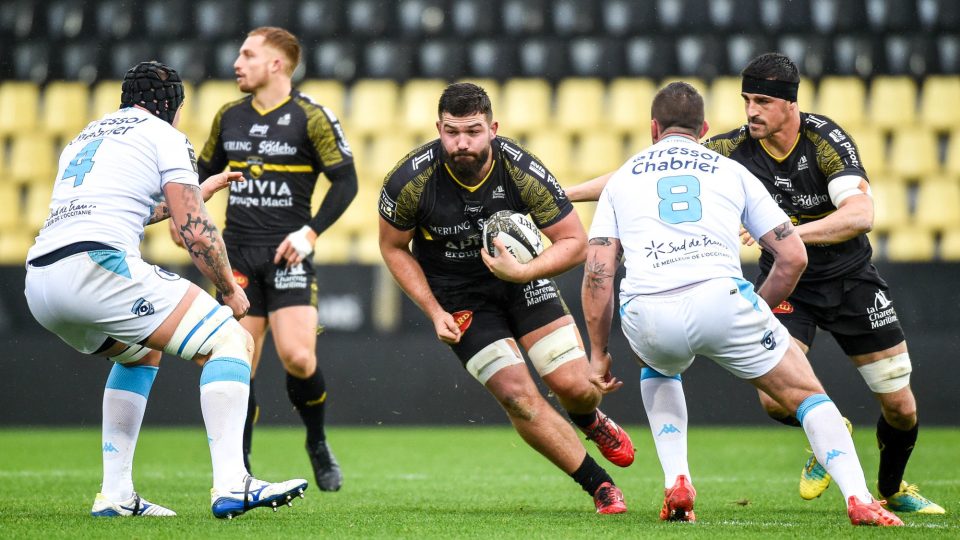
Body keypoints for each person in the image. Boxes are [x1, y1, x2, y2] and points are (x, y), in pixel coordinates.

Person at [566, 54, 944, 516]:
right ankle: (841, 452)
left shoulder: (825, 140)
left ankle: (892, 486)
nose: (750, 111)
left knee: (900, 406)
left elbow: (861, 216)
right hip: (790, 284)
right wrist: (559, 195)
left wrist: (787, 230)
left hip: (849, 279)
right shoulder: (735, 150)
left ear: (790, 104)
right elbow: (651, 170)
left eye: (761, 101)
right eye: (746, 100)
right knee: (776, 398)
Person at [23, 61, 308, 519]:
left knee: (138, 353)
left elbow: (130, 206)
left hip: (41, 280)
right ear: (173, 106)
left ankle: (115, 495)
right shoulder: (166, 135)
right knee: (231, 340)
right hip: (98, 267)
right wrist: (229, 291)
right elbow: (194, 231)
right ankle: (233, 483)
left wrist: (201, 189)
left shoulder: (87, 135)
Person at [378, 82, 634, 514]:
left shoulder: (522, 171)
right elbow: (392, 248)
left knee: (577, 388)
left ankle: (589, 418)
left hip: (523, 282)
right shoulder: (410, 181)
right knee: (516, 395)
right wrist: (434, 310)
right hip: (459, 298)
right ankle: (599, 485)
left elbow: (574, 241)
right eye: (452, 131)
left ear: (493, 128)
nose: (462, 142)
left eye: (473, 131)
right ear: (438, 128)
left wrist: (524, 271)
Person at [190, 26, 358, 492]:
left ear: (277, 64)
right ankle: (238, 468)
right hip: (236, 256)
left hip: (288, 257)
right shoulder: (228, 117)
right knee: (232, 362)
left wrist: (310, 232)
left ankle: (317, 441)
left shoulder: (312, 116)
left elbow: (346, 182)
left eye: (247, 54)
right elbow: (197, 178)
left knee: (299, 358)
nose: (237, 63)